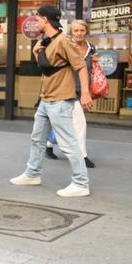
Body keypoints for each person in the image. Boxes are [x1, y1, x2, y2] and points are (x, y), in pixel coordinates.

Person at [10, 5, 93, 197]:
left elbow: (80, 66)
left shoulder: (64, 41)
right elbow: (50, 69)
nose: (36, 22)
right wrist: (37, 53)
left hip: (60, 100)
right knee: (37, 139)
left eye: (38, 19)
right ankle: (32, 174)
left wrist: (86, 93)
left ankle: (81, 183)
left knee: (69, 144)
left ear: (45, 20)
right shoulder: (47, 41)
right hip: (45, 100)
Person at [45, 19, 96, 168]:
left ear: (86, 31)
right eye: (76, 31)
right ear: (71, 32)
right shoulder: (66, 45)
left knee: (66, 121)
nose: (79, 33)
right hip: (67, 89)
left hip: (83, 89)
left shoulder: (91, 48)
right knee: (79, 123)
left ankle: (48, 143)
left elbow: (89, 69)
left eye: (82, 30)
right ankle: (82, 156)